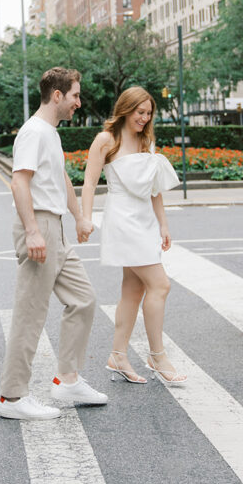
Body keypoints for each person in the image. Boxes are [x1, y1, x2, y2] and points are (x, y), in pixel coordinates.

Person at [0, 67, 108, 420]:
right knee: (30, 315)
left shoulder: (51, 133)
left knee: (84, 299)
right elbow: (19, 183)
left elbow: (59, 178)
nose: (80, 102)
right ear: (57, 95)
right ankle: (13, 399)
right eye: (75, 95)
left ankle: (68, 379)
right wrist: (32, 232)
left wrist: (78, 217)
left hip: (55, 226)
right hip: (40, 226)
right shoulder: (33, 132)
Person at [80, 86, 186, 386]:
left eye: (149, 113)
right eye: (140, 112)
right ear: (125, 109)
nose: (144, 118)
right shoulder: (105, 140)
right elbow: (89, 184)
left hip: (145, 220)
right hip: (122, 220)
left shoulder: (146, 140)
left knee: (133, 290)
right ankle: (157, 355)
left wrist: (163, 225)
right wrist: (86, 219)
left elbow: (154, 190)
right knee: (160, 285)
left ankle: (118, 355)